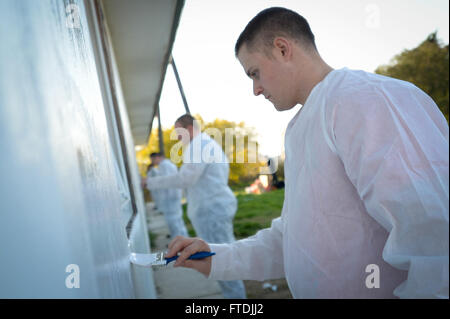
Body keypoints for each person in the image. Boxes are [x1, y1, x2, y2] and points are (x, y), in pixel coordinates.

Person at [165, 7, 449, 299]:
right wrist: (215, 258)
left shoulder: (366, 99)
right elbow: (294, 240)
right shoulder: (300, 128)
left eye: (255, 73)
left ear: (282, 48)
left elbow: (434, 237)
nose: (256, 89)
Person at [146, 114, 247, 299]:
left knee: (221, 261)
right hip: (213, 208)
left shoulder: (199, 147)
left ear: (190, 129)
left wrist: (150, 183)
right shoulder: (204, 144)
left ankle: (237, 301)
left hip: (211, 211)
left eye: (179, 132)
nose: (177, 137)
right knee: (223, 259)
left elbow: (185, 178)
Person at [145, 153, 188, 239]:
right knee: (178, 221)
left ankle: (179, 241)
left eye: (152, 159)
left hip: (170, 199)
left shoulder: (164, 165)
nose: (152, 162)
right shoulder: (168, 165)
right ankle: (182, 239)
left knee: (173, 221)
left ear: (157, 157)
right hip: (173, 197)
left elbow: (166, 182)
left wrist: (150, 182)